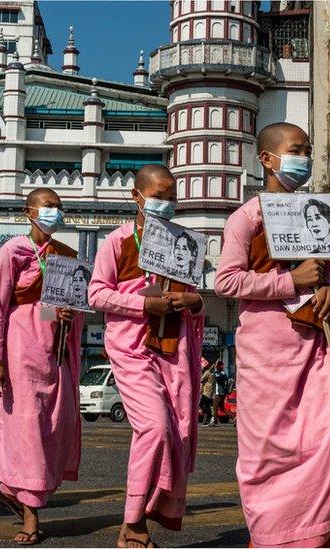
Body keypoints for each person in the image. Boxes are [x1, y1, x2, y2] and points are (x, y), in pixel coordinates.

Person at [216, 122, 330, 547]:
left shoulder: (319, 213)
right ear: (267, 159)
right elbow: (227, 282)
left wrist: (326, 287)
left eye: (308, 150)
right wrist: (288, 282)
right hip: (270, 357)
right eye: (295, 150)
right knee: (277, 458)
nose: (303, 158)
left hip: (319, 353)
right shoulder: (246, 218)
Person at [88, 164, 205, 548]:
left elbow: (195, 297)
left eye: (171, 197)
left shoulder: (183, 242)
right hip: (131, 347)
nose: (165, 204)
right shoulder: (118, 242)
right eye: (158, 196)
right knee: (154, 427)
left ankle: (138, 520)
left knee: (180, 430)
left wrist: (194, 300)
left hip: (173, 348)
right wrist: (143, 305)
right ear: (136, 196)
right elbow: (96, 295)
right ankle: (134, 520)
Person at [0, 188, 83, 545]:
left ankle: (12, 490)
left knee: (54, 427)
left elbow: (76, 303)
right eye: (48, 206)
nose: (54, 212)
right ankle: (30, 515)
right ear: (29, 211)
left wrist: (70, 316)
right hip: (19, 350)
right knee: (25, 432)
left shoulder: (66, 255)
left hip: (56, 352)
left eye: (58, 206)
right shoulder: (14, 250)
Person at [210, 361, 228, 427]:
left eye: (217, 366)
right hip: (221, 392)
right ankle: (234, 418)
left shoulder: (221, 373)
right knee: (222, 408)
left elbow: (216, 376)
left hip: (220, 393)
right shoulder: (222, 373)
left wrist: (214, 369)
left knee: (215, 407)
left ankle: (215, 422)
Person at [200, 357, 215, 426]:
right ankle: (208, 420)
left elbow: (201, 380)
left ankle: (211, 416)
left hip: (207, 391)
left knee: (201, 404)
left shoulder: (207, 372)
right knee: (207, 406)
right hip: (209, 391)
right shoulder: (209, 372)